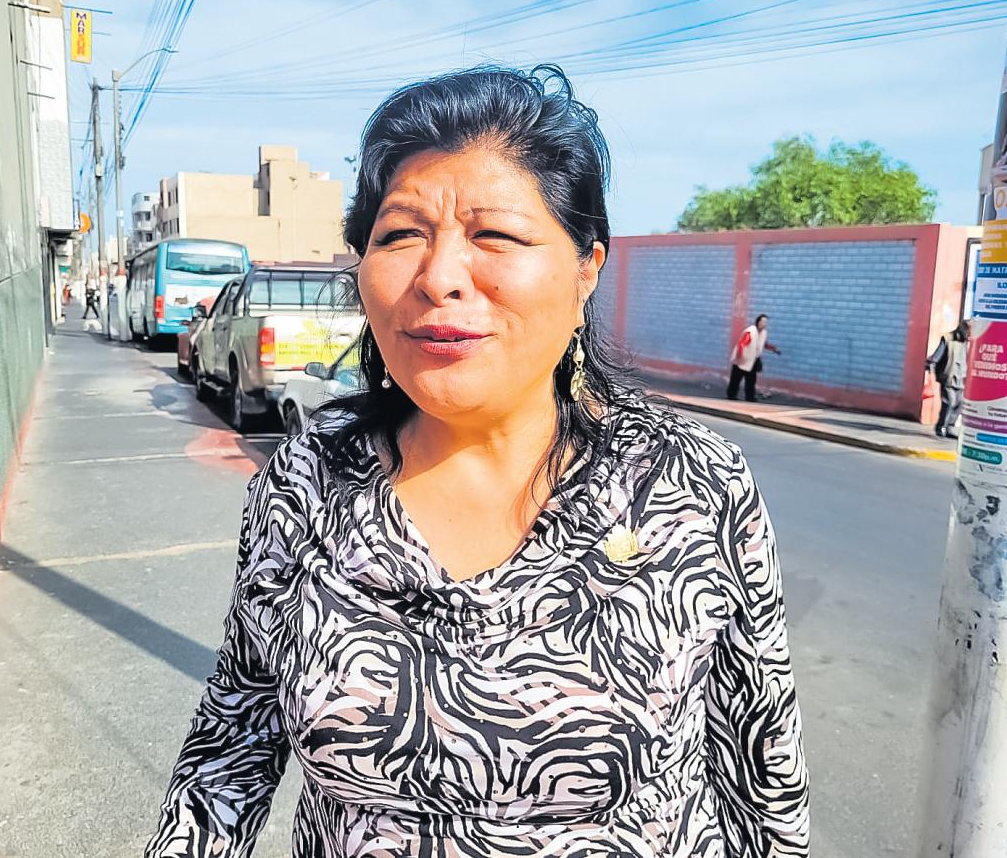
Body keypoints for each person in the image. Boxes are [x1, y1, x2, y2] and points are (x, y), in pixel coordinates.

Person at [146, 65, 809, 858]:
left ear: (586, 270)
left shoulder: (693, 483)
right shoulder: (307, 482)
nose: (438, 278)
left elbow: (763, 784)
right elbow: (230, 750)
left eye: (495, 235)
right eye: (400, 235)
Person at [926, 322, 970, 439]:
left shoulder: (968, 343)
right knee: (949, 402)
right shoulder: (947, 339)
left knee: (959, 404)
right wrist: (930, 368)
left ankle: (950, 427)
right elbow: (936, 357)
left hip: (961, 378)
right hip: (949, 377)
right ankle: (941, 427)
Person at [727, 314, 781, 402]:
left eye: (766, 322)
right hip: (742, 358)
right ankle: (731, 395)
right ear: (758, 322)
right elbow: (742, 344)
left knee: (751, 380)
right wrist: (739, 356)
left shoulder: (763, 333)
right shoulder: (750, 332)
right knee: (736, 379)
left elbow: (763, 344)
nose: (764, 324)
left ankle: (750, 397)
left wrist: (773, 348)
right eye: (763, 322)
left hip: (753, 360)